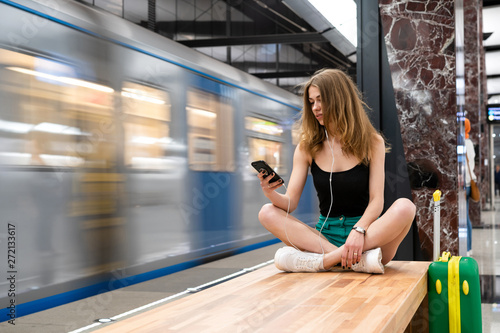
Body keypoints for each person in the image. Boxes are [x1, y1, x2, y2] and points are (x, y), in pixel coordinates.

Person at [257, 69, 416, 273]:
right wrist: (270, 192)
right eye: (311, 102)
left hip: (366, 236)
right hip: (324, 238)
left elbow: (377, 201)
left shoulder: (372, 142)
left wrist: (359, 230)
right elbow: (290, 203)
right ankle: (345, 258)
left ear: (339, 99)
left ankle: (329, 260)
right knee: (266, 212)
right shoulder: (307, 147)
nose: (315, 107)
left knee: (405, 207)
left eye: (320, 100)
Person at [464, 118, 476, 256]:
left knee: (464, 218)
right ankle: (469, 247)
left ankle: (466, 248)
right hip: (468, 183)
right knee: (466, 217)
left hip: (464, 183)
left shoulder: (463, 143)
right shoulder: (470, 143)